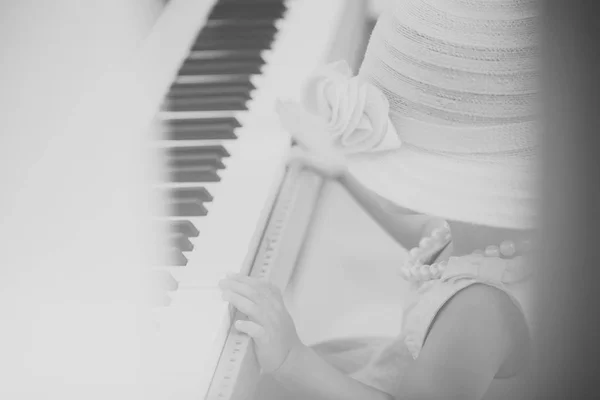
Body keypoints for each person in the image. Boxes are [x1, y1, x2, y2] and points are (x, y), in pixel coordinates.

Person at [218, 0, 539, 399]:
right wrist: (342, 172)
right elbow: (426, 235)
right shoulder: (498, 243)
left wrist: (293, 361)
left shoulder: (479, 310)